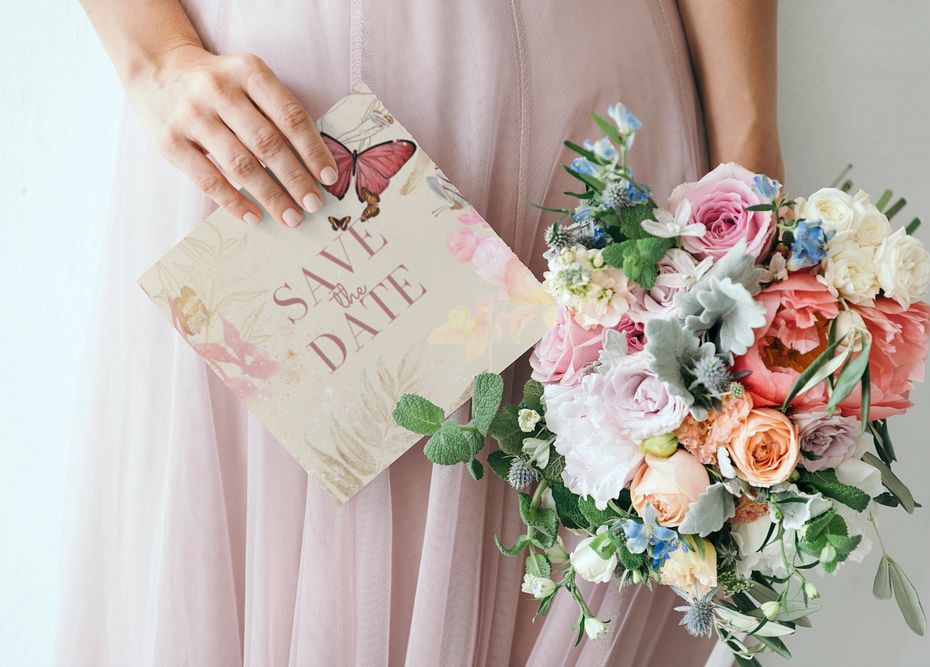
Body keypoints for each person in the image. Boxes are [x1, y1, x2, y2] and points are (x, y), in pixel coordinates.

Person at [61, 1, 783, 664]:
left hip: (597, 116)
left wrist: (748, 161)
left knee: (602, 537)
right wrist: (155, 57)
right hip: (285, 128)